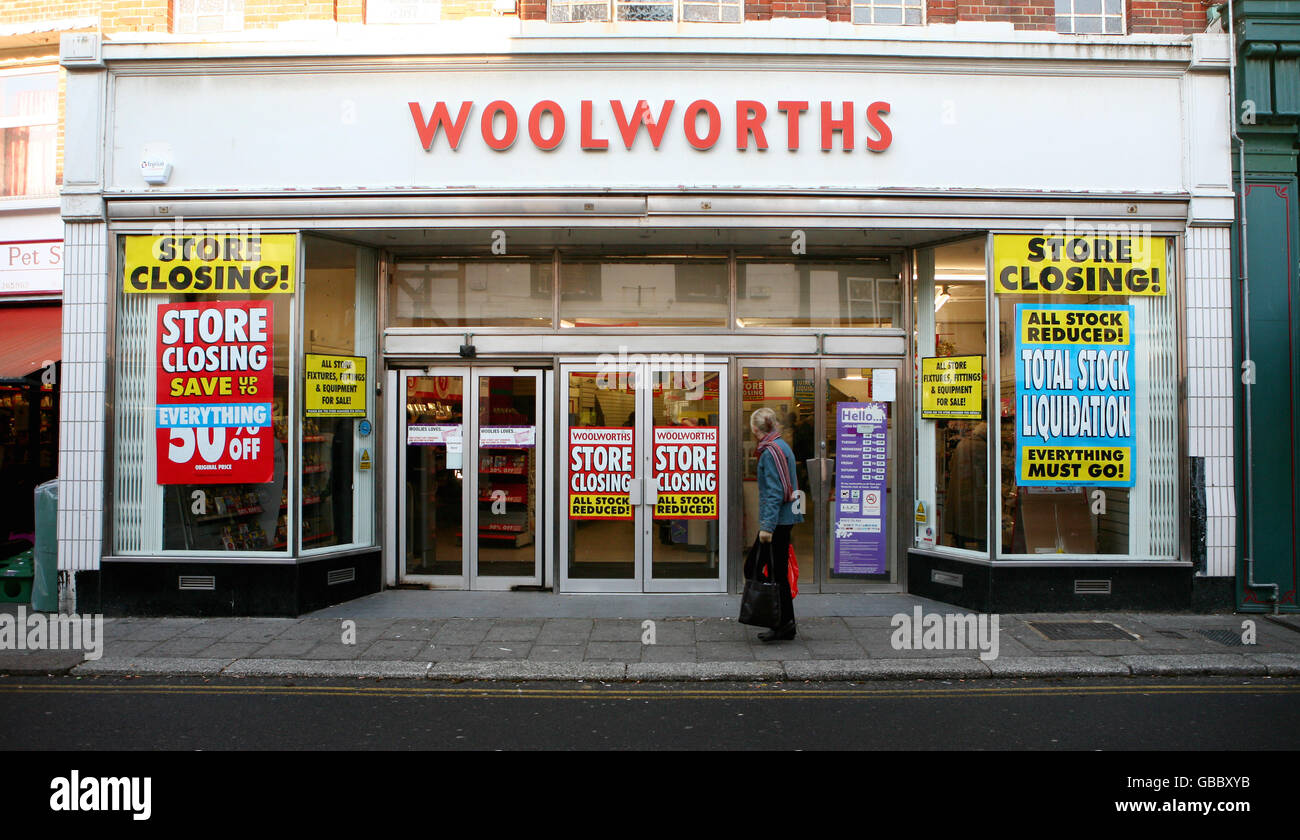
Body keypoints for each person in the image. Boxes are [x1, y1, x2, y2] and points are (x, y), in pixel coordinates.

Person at [750, 407, 803, 642]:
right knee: (774, 571)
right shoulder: (781, 446)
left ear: (755, 429)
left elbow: (775, 491)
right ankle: (784, 622)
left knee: (769, 571)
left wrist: (767, 527)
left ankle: (780, 622)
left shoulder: (771, 452)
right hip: (783, 519)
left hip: (777, 522)